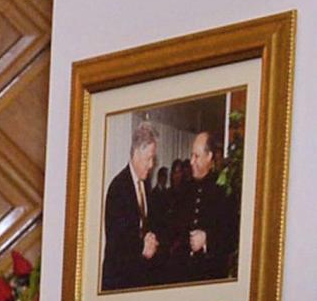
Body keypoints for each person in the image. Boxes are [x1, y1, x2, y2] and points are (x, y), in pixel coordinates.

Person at [165, 128, 239, 284]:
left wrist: (207, 240)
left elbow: (232, 236)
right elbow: (173, 229)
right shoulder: (184, 189)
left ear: (209, 156)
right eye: (192, 155)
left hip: (210, 275)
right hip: (182, 275)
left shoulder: (224, 190)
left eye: (196, 156)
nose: (191, 161)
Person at [102, 120, 165, 291]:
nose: (152, 165)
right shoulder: (118, 188)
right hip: (119, 282)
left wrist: (151, 238)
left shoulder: (144, 184)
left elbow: (145, 224)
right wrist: (142, 248)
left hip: (138, 277)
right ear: (137, 152)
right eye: (149, 158)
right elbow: (117, 242)